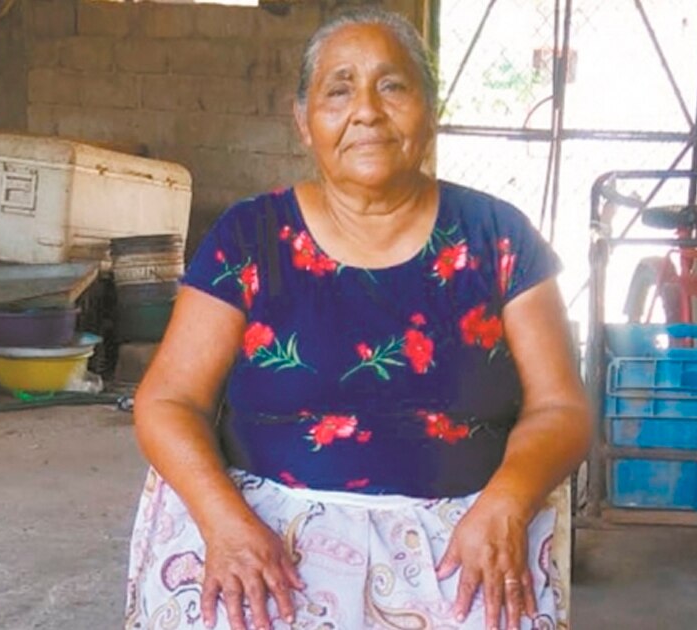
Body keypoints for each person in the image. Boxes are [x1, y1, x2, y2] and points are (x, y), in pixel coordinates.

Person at [125, 7, 591, 630]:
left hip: (465, 539)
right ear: (303, 121)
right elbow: (167, 401)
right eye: (339, 89)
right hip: (265, 537)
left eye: (392, 85)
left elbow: (560, 408)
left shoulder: (498, 238)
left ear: (430, 108)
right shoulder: (247, 238)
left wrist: (507, 503)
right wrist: (224, 522)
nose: (366, 110)